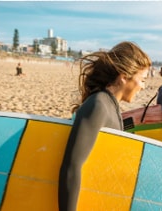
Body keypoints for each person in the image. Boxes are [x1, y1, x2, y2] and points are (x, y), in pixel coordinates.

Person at [58, 41, 151, 211]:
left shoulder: (112, 107)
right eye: (142, 79)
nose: (143, 86)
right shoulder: (98, 104)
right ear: (124, 76)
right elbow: (72, 166)